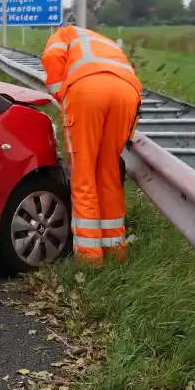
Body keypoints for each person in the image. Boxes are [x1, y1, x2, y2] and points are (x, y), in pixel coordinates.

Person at [40, 25, 142, 265]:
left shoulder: (64, 34)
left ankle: (89, 258)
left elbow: (51, 57)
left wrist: (62, 94)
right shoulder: (103, 42)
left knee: (83, 176)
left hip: (88, 93)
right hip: (127, 93)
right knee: (108, 174)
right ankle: (116, 252)